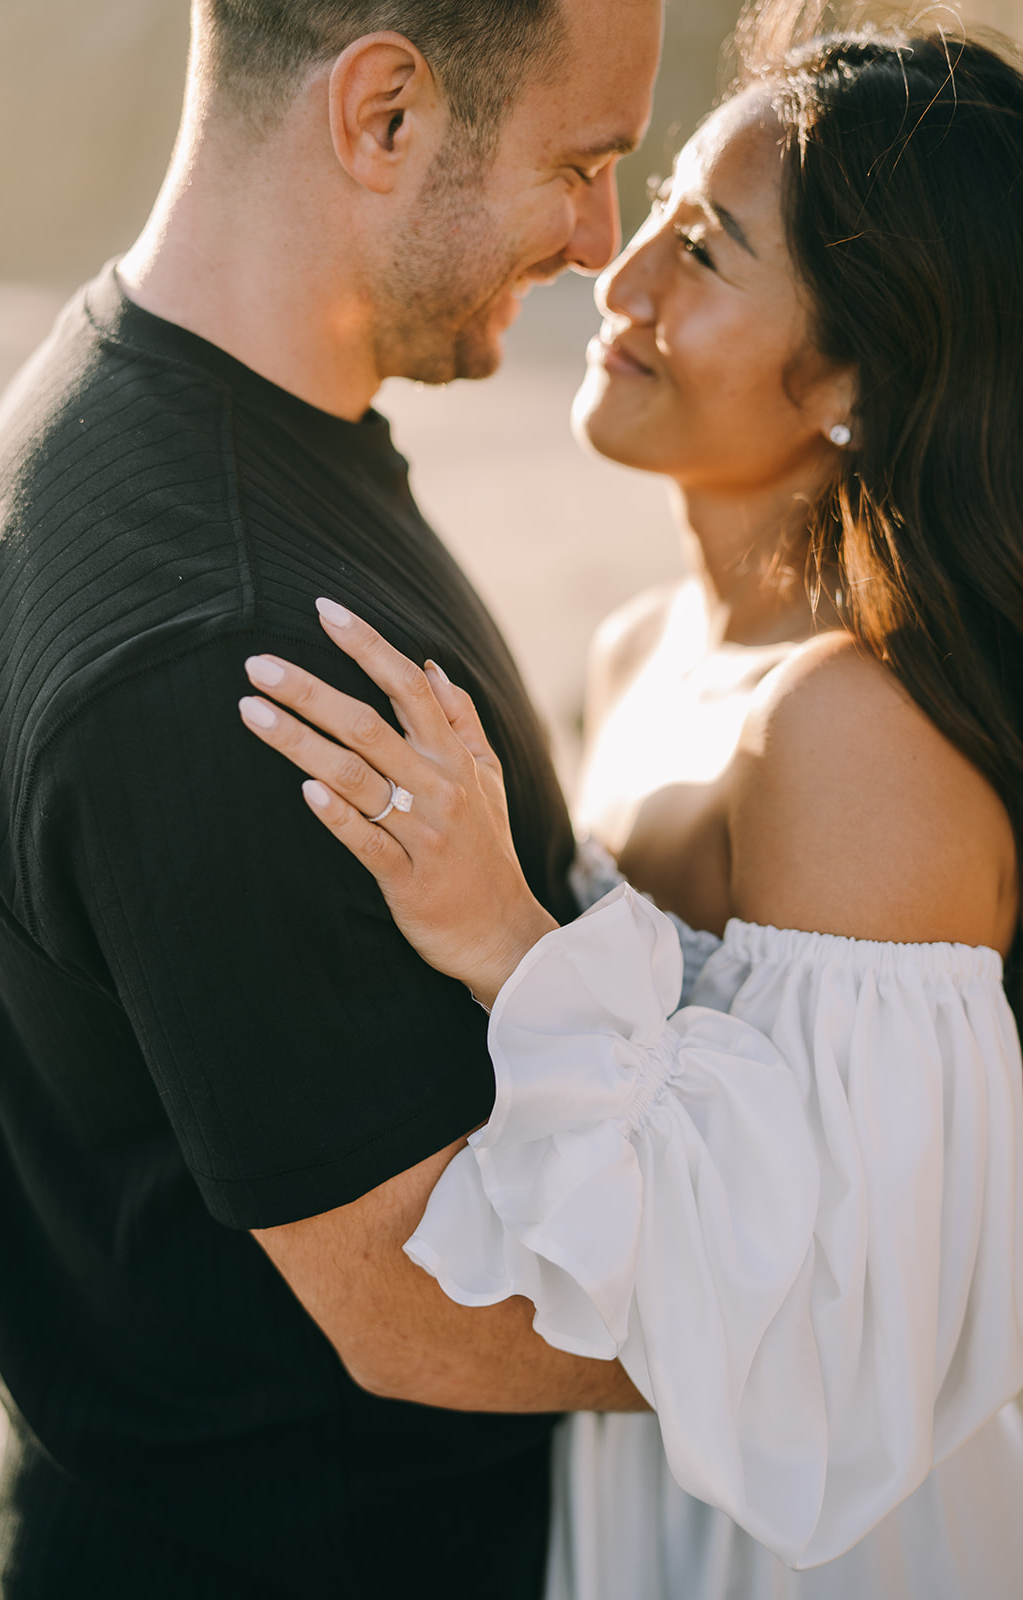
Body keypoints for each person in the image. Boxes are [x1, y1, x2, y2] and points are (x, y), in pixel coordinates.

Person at [236, 11, 1023, 1598]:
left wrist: (510, 946)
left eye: (710, 256)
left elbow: (860, 1331)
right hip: (648, 1484)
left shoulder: (855, 736)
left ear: (860, 377)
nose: (622, 277)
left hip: (832, 1538)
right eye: (656, 206)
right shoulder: (638, 649)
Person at [0, 1, 666, 1594]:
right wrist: (861, 1336)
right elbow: (420, 1312)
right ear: (387, 113)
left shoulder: (142, 389)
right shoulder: (228, 642)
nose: (600, 240)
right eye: (582, 163)